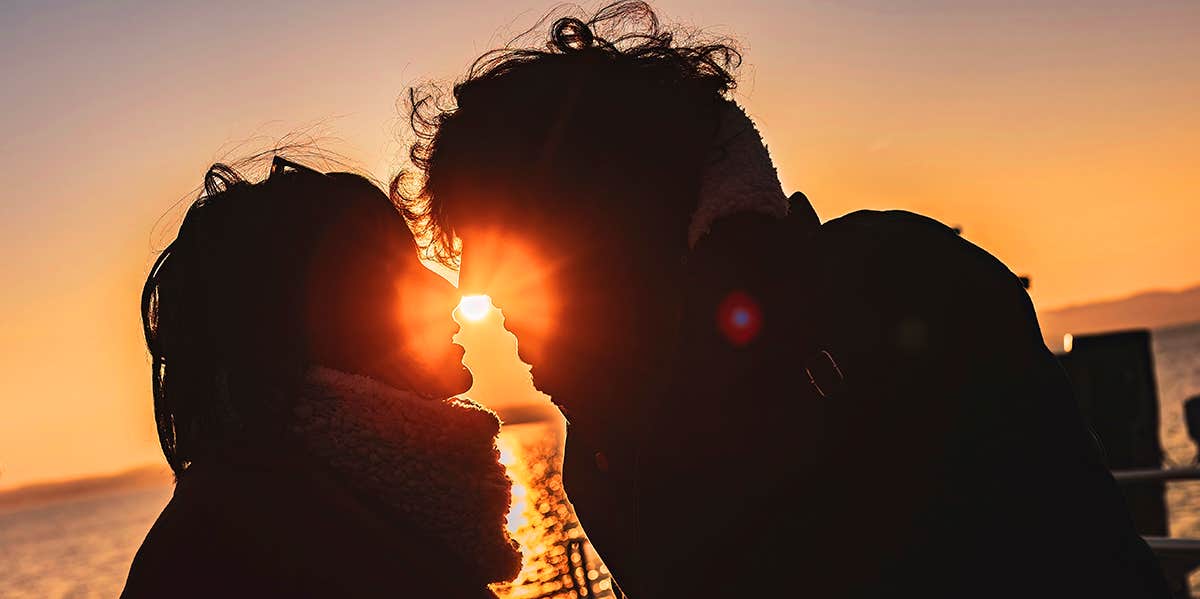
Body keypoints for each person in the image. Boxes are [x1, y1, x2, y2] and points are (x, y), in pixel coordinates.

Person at [393, 2, 1170, 597]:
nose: (493, 304)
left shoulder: (903, 288)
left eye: (510, 257)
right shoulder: (602, 452)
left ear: (614, 218)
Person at [122, 157, 520, 598]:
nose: (446, 291)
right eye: (394, 271)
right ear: (313, 318)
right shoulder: (230, 543)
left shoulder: (347, 500)